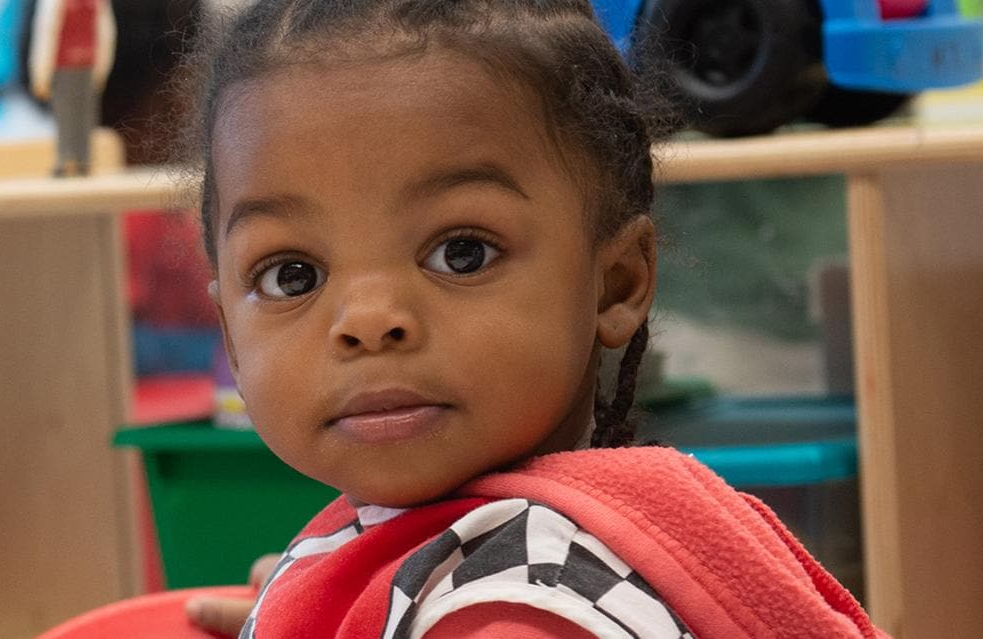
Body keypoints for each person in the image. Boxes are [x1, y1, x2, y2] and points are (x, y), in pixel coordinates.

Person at [179, 1, 889, 637]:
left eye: (461, 253)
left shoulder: (515, 611)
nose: (368, 320)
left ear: (614, 283)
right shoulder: (490, 562)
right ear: (230, 335)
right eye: (290, 275)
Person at [29, 0, 116, 176]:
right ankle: (65, 159)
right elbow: (45, 31)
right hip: (62, 65)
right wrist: (41, 73)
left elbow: (106, 32)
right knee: (64, 114)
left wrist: (102, 67)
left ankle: (84, 159)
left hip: (87, 64)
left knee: (86, 114)